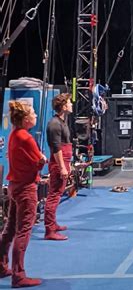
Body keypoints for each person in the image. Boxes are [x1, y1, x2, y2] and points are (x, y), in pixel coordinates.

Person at [0, 101, 46, 288]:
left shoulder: (13, 135)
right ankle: (19, 275)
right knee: (23, 230)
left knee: (10, 228)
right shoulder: (26, 138)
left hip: (14, 185)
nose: (36, 116)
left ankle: (2, 265)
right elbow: (39, 162)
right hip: (26, 188)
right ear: (26, 119)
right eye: (33, 113)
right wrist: (43, 160)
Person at [44, 92, 73, 241]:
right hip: (58, 164)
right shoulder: (55, 124)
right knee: (54, 196)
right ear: (63, 106)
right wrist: (62, 167)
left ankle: (53, 224)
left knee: (56, 194)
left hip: (64, 161)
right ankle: (49, 230)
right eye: (69, 102)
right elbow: (56, 148)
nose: (71, 104)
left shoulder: (62, 122)